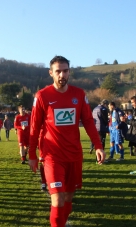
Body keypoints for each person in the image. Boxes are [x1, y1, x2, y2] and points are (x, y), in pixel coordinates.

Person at [28, 56, 105, 227]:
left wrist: (98, 146)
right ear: (51, 73)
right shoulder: (42, 96)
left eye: (65, 71)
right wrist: (32, 154)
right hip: (52, 156)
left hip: (74, 155)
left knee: (68, 197)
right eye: (58, 71)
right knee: (57, 198)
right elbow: (34, 127)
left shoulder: (79, 94)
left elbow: (88, 122)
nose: (62, 74)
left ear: (69, 72)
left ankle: (61, 222)